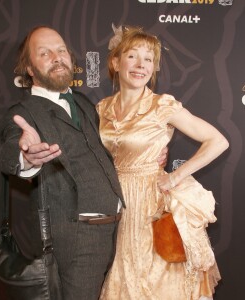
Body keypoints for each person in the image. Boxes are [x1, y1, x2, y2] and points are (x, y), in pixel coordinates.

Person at [0, 25, 167, 300]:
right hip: (79, 238)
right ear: (29, 68)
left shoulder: (84, 103)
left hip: (117, 232)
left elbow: (109, 147)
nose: (57, 56)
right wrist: (25, 156)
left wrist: (152, 150)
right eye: (45, 53)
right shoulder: (23, 113)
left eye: (61, 50)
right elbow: (10, 150)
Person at [97, 25, 229, 300]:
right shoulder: (101, 109)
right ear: (115, 62)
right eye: (132, 56)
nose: (141, 65)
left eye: (149, 59)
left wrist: (176, 176)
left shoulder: (162, 106)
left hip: (150, 205)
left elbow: (217, 141)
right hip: (113, 205)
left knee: (157, 282)